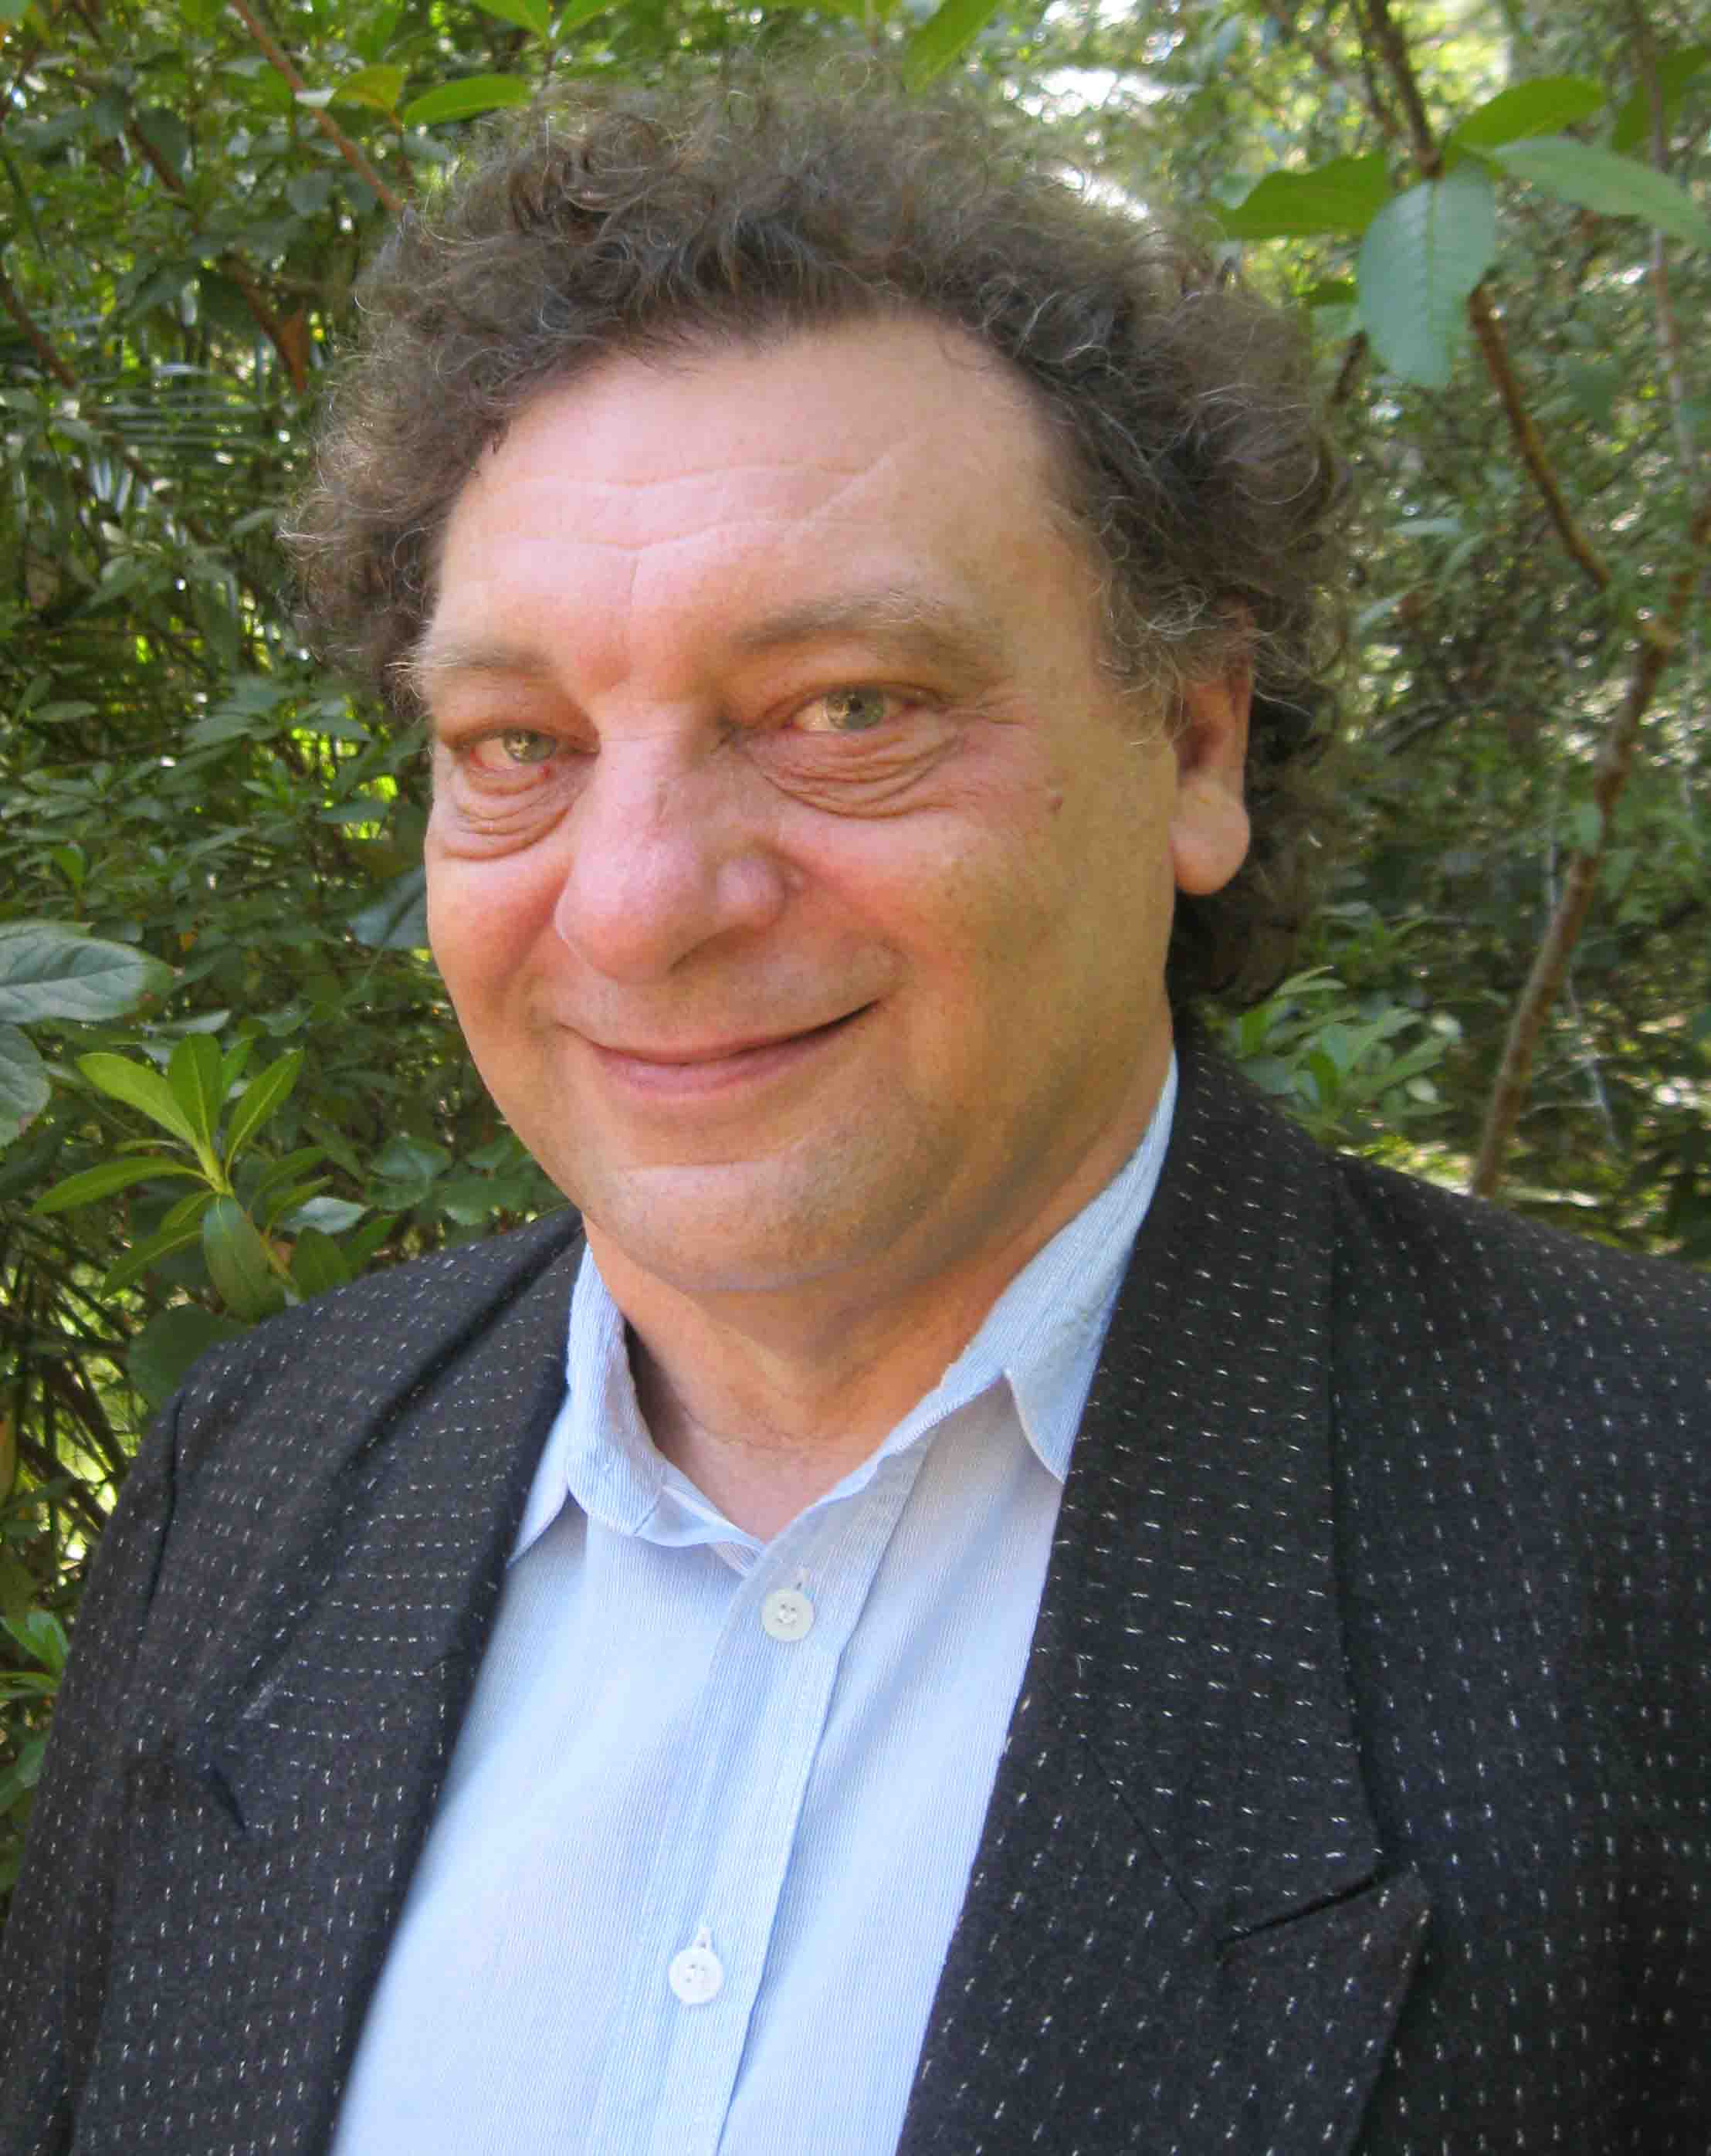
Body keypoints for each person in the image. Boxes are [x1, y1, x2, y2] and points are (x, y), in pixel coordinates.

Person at [2, 69, 1706, 2156]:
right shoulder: (252, 1479)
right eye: (518, 743)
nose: (635, 906)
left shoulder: (1658, 1515)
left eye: (847, 709)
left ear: (1193, 746)